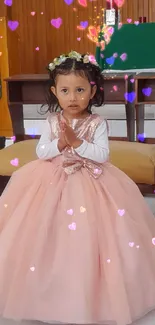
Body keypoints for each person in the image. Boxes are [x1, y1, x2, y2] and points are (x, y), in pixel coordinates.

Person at [0, 51, 155, 325]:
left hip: (91, 180)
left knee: (95, 231)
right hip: (51, 178)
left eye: (80, 90)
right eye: (65, 90)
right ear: (54, 92)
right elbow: (42, 152)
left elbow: (102, 155)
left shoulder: (97, 123)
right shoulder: (51, 122)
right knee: (43, 227)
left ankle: (97, 291)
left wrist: (78, 143)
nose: (73, 97)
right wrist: (59, 144)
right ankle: (44, 288)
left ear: (92, 91)